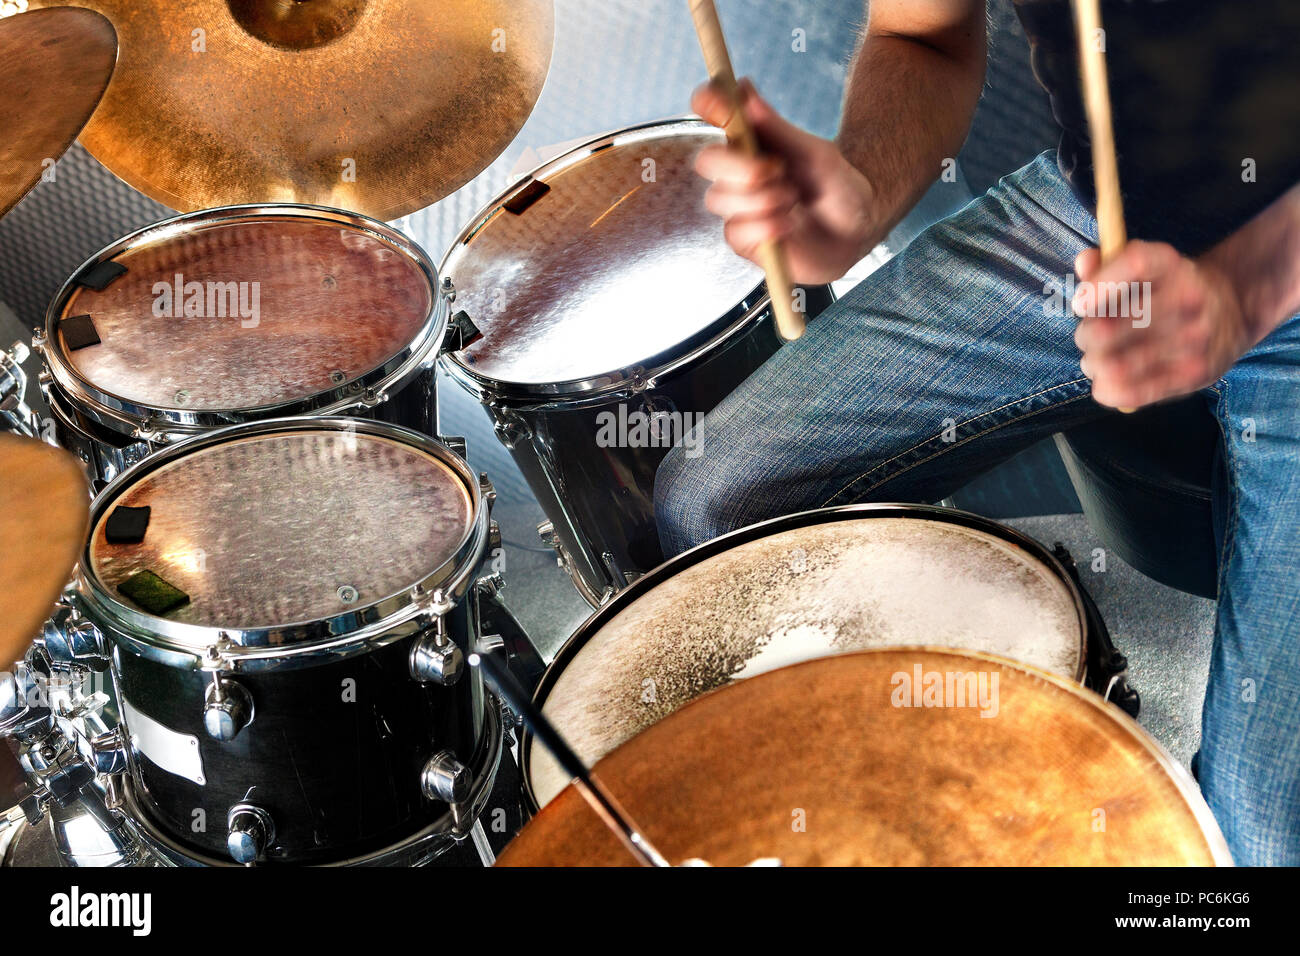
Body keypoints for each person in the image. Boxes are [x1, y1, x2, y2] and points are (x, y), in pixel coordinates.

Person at [654, 0, 1300, 866]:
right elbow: (918, 34)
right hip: (1092, 222)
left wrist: (1244, 292)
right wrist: (862, 190)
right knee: (717, 508)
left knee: (1254, 844)